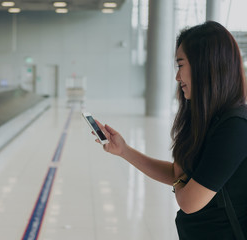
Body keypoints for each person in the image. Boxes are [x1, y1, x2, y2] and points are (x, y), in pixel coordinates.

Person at [94, 21, 247, 239]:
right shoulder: (214, 119)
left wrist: (182, 170)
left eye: (181, 65)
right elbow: (182, 176)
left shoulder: (236, 128)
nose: (177, 78)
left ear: (205, 65)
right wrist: (124, 150)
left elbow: (188, 201)